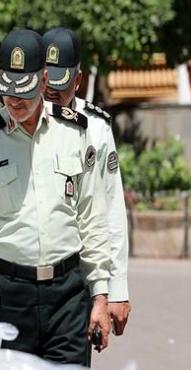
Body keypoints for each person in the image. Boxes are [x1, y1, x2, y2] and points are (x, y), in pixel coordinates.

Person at [0, 29, 112, 365]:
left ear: (43, 81)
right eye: (8, 93)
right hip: (9, 296)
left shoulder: (75, 133)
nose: (15, 102)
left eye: (23, 92)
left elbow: (92, 219)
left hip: (67, 296)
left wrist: (100, 294)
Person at [42, 27, 131, 336]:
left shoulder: (97, 128)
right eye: (45, 83)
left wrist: (116, 289)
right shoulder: (19, 124)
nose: (51, 92)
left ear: (77, 81)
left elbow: (112, 211)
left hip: (80, 278)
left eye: (60, 85)